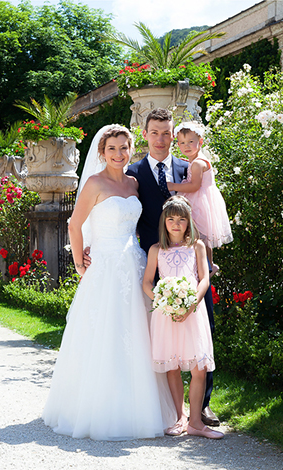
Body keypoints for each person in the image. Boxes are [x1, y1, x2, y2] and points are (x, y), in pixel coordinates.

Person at [42, 125, 177, 440]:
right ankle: (99, 407)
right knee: (105, 334)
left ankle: (143, 406)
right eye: (112, 149)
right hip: (104, 268)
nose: (119, 154)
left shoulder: (133, 183)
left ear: (131, 149)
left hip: (135, 266)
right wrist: (80, 265)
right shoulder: (94, 183)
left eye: (124, 147)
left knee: (138, 336)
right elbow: (75, 225)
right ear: (101, 153)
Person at [125, 108, 220, 428]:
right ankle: (172, 409)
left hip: (194, 263)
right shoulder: (133, 173)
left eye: (167, 133)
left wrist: (204, 254)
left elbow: (205, 208)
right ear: (145, 134)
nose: (162, 139)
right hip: (156, 261)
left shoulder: (189, 167)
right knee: (164, 339)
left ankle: (201, 407)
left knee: (202, 331)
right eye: (155, 133)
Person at [143, 196, 224, 439]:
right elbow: (147, 282)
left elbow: (204, 278)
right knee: (173, 365)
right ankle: (180, 418)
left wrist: (192, 303)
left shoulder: (196, 246)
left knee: (199, 367)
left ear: (188, 222)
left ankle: (196, 422)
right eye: (171, 219)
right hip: (166, 314)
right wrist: (162, 301)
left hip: (193, 312)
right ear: (164, 222)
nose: (176, 224)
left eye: (181, 219)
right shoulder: (156, 250)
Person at [167, 121, 233, 277]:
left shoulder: (197, 163)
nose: (186, 146)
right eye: (182, 143)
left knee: (199, 235)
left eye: (191, 142)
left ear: (200, 142)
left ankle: (207, 265)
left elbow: (194, 186)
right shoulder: (197, 160)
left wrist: (172, 186)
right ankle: (210, 264)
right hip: (204, 199)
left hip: (199, 200)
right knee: (203, 236)